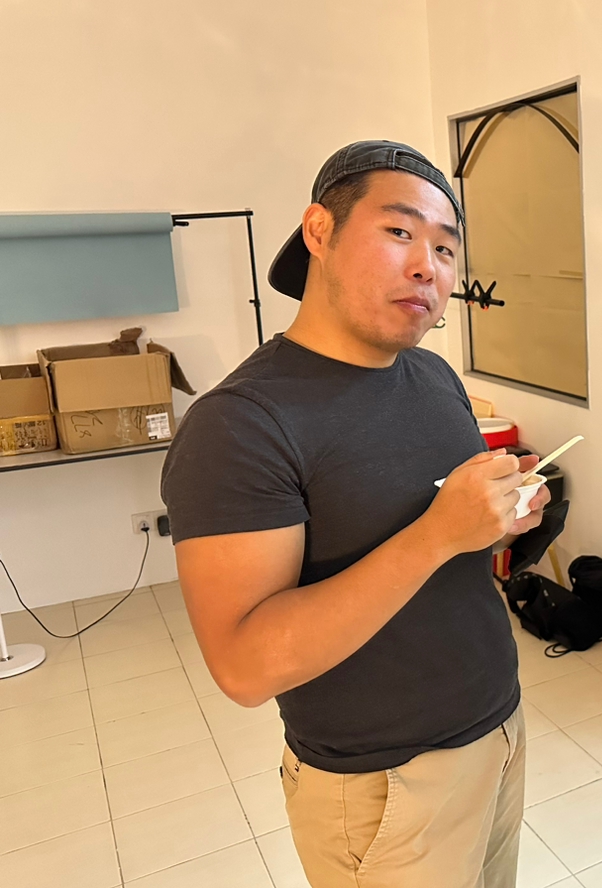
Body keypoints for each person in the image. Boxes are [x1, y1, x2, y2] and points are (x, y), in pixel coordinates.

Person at [161, 140, 549, 888]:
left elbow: (448, 536)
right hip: (384, 784)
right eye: (400, 232)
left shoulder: (433, 376)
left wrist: (499, 516)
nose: (427, 267)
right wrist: (437, 535)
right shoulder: (241, 424)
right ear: (320, 231)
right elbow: (244, 666)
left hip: (498, 731)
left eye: (446, 248)